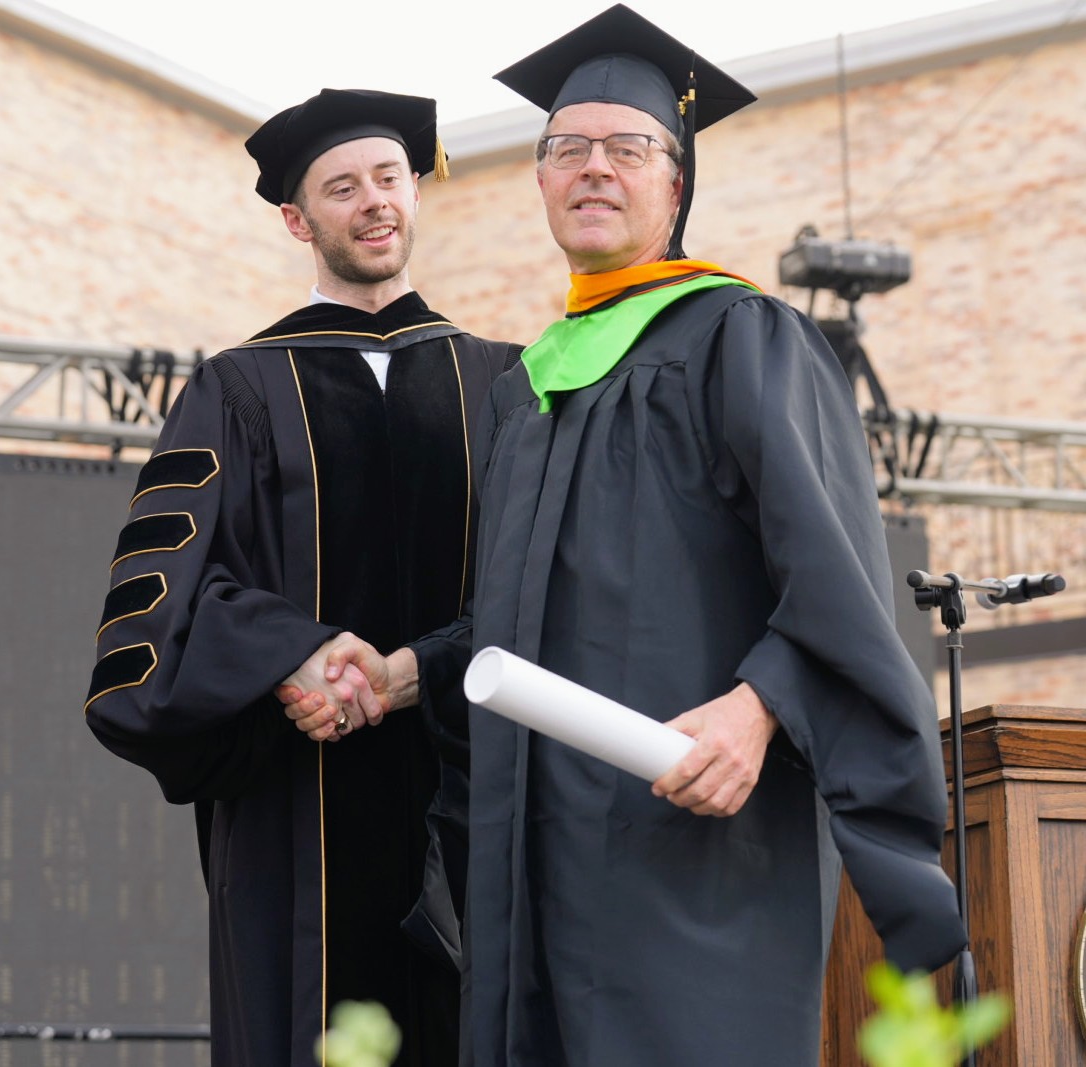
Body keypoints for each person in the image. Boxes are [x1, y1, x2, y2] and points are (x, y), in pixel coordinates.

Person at [283, 8, 970, 1064]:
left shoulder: (742, 339)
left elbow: (837, 588)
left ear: (675, 182)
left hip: (685, 845)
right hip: (527, 870)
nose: (593, 168)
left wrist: (756, 709)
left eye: (626, 147)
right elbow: (518, 621)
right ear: (541, 179)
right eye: (567, 149)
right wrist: (407, 669)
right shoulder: (528, 388)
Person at [83, 88, 521, 1067]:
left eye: (389, 178)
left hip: (470, 800)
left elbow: (546, 593)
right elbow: (156, 615)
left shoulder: (504, 383)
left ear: (415, 191)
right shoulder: (235, 388)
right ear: (297, 218)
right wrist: (297, 653)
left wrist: (413, 670)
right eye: (342, 186)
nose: (374, 201)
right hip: (292, 814)